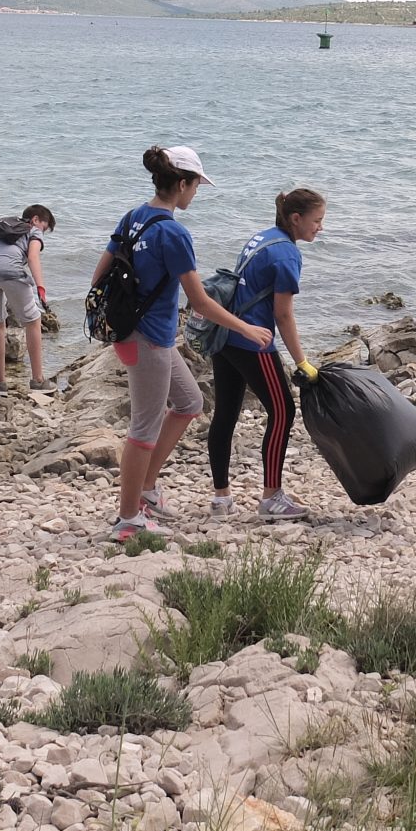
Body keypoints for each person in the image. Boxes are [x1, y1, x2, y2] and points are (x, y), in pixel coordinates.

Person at [94, 146, 271, 543]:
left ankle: (146, 490)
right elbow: (200, 302)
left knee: (190, 403)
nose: (196, 192)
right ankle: (128, 520)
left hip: (136, 334)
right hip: (149, 341)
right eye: (196, 186)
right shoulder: (174, 233)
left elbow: (98, 277)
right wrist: (245, 328)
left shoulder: (133, 217)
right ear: (181, 184)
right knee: (143, 427)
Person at [209, 188, 326, 521]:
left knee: (225, 413)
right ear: (296, 219)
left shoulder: (262, 237)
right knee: (283, 410)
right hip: (253, 341)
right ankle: (271, 497)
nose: (320, 227)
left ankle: (221, 498)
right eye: (317, 221)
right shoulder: (287, 254)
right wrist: (302, 362)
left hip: (225, 334)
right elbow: (283, 315)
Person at [0, 203, 55, 391]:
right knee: (33, 321)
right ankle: (38, 381)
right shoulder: (33, 230)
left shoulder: (7, 228)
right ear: (35, 219)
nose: (42, 232)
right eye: (44, 228)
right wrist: (41, 288)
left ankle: (0, 384)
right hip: (9, 271)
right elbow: (33, 257)